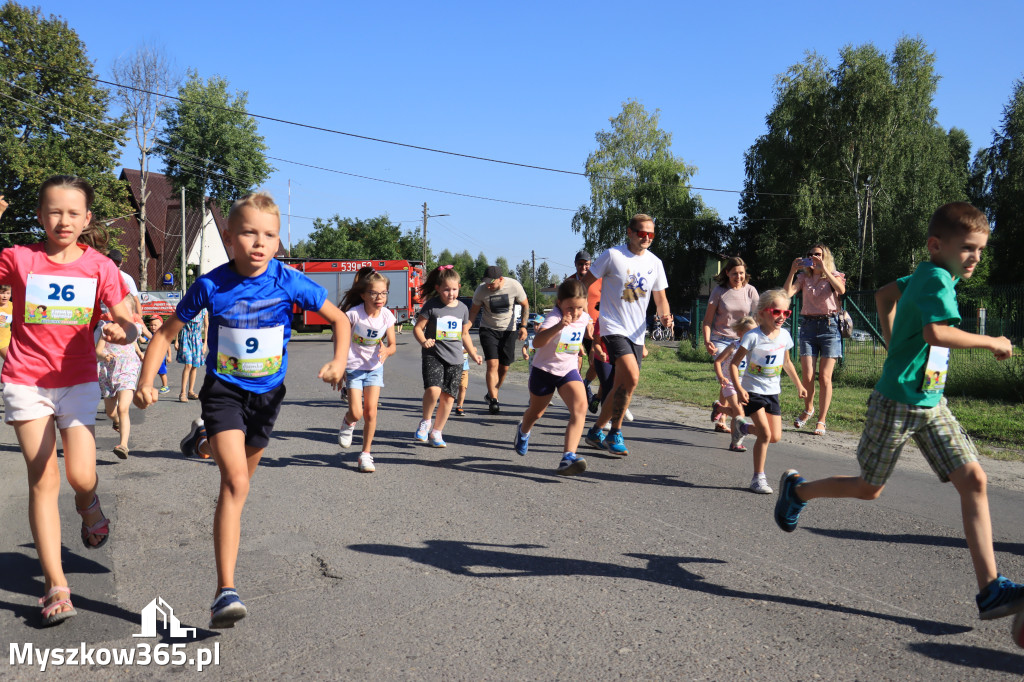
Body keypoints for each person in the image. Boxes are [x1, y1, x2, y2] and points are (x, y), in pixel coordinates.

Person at [774, 202, 1024, 624]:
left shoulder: (928, 275)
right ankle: (797, 491)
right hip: (896, 402)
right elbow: (936, 332)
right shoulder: (936, 281)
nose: (976, 258)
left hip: (930, 402)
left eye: (980, 249)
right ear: (936, 245)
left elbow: (883, 295)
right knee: (869, 488)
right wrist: (993, 341)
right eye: (967, 248)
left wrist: (894, 346)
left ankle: (990, 590)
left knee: (975, 480)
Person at [134, 191, 349, 629]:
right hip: (224, 392)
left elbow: (340, 319)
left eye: (269, 235)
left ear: (278, 241)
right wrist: (145, 380)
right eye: (248, 233)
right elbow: (164, 335)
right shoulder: (210, 284)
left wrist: (340, 360)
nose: (259, 242)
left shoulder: (288, 281)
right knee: (234, 484)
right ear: (229, 237)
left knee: (241, 487)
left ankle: (203, 440)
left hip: (268, 397)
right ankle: (224, 591)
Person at [1, 175, 137, 626]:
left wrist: (126, 330)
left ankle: (88, 504)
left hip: (76, 380)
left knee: (81, 476)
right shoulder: (19, 259)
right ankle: (55, 584)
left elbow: (125, 317)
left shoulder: (100, 266)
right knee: (43, 479)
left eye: (73, 213)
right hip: (27, 380)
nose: (63, 220)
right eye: (54, 212)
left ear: (87, 219)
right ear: (39, 216)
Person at [581, 214, 671, 456]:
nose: (646, 238)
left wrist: (665, 316)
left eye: (651, 234)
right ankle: (615, 432)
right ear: (630, 232)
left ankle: (597, 430)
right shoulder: (613, 255)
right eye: (642, 233)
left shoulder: (655, 263)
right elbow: (585, 283)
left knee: (625, 384)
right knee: (631, 376)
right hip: (612, 326)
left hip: (637, 332)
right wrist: (581, 314)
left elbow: (660, 299)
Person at [513, 278, 593, 475]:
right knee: (536, 412)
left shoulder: (583, 316)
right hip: (544, 371)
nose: (575, 313)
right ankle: (523, 430)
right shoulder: (554, 318)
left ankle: (568, 457)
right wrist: (559, 327)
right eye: (570, 308)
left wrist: (587, 335)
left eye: (579, 308)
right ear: (559, 303)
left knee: (580, 408)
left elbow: (585, 323)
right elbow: (538, 343)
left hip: (568, 371)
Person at [729, 290, 806, 493]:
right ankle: (758, 478)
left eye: (786, 313)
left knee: (775, 437)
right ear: (762, 313)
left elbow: (787, 362)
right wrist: (738, 388)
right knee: (764, 434)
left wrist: (799, 385)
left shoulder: (785, 336)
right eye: (776, 312)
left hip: (773, 392)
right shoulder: (752, 336)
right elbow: (734, 365)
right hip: (752, 391)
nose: (781, 316)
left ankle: (742, 428)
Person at [413, 266, 482, 446]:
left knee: (449, 397)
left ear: (459, 287)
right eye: (446, 289)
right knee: (434, 389)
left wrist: (473, 353)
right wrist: (423, 341)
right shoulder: (432, 305)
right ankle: (426, 421)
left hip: (456, 358)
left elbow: (464, 333)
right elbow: (418, 328)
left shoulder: (462, 308)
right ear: (438, 288)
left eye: (454, 289)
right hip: (433, 354)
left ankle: (437, 432)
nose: (450, 293)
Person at [782, 243, 846, 435]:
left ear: (825, 256)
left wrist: (824, 269)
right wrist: (793, 271)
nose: (813, 257)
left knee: (825, 377)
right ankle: (808, 409)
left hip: (830, 326)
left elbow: (841, 290)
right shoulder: (803, 277)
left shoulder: (835, 275)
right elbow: (786, 294)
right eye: (810, 254)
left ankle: (822, 420)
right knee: (807, 376)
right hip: (808, 326)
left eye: (818, 254)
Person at [337, 269, 396, 473]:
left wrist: (387, 350)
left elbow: (393, 345)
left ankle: (365, 454)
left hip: (374, 368)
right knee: (356, 412)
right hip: (353, 367)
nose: (379, 298)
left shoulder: (387, 316)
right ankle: (348, 422)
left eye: (383, 293)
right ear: (363, 295)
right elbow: (339, 340)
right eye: (374, 293)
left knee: (371, 412)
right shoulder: (353, 314)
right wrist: (339, 366)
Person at [702, 257, 759, 433]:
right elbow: (707, 320)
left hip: (743, 341)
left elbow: (758, 317)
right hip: (721, 339)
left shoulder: (750, 291)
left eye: (741, 273)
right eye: (735, 273)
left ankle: (721, 410)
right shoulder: (720, 291)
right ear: (727, 273)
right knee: (728, 376)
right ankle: (724, 419)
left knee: (734, 379)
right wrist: (707, 340)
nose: (738, 277)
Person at [469, 265, 529, 414]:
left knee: (504, 367)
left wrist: (524, 326)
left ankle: (491, 392)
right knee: (492, 364)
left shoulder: (514, 285)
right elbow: (473, 313)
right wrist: (464, 329)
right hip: (488, 329)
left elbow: (525, 305)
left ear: (500, 279)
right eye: (486, 282)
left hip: (508, 331)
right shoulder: (481, 290)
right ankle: (494, 401)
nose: (488, 286)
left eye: (492, 283)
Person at [96, 298, 145, 459]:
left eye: (125, 312)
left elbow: (133, 341)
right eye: (118, 311)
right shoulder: (106, 329)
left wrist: (139, 352)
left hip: (127, 371)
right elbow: (98, 351)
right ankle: (116, 421)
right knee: (111, 412)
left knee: (123, 408)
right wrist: (104, 355)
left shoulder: (135, 328)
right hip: (108, 372)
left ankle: (123, 445)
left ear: (132, 314)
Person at [711, 316, 759, 451]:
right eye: (748, 333)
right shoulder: (734, 346)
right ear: (740, 333)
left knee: (739, 413)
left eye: (754, 332)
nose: (752, 336)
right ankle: (736, 443)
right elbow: (718, 362)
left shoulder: (754, 349)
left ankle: (719, 408)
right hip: (730, 383)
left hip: (744, 386)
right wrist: (720, 377)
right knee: (739, 413)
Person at [566, 250, 602, 411]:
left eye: (587, 264)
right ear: (576, 264)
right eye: (581, 264)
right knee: (573, 362)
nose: (584, 267)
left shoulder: (599, 280)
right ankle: (576, 398)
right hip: (573, 327)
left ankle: (585, 384)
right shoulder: (569, 282)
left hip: (593, 327)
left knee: (596, 362)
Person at [176, 308, 208, 402]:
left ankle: (190, 391)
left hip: (197, 338)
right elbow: (178, 323)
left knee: (194, 365)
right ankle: (183, 393)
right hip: (186, 337)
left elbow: (206, 326)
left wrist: (205, 343)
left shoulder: (204, 311)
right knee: (188, 364)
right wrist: (176, 340)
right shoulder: (188, 307)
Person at [106, 248, 142, 314]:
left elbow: (136, 300)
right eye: (113, 264)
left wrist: (140, 318)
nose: (115, 267)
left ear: (121, 262)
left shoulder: (127, 278)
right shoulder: (101, 276)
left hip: (122, 315)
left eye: (117, 264)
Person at [145, 315, 173, 393]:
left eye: (155, 325)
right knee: (150, 372)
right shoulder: (149, 334)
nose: (153, 327)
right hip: (151, 358)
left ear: (161, 325)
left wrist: (169, 356)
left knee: (162, 373)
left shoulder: (162, 335)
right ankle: (149, 386)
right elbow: (143, 340)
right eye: (151, 325)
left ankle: (165, 386)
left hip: (160, 358)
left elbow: (168, 347)